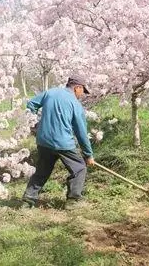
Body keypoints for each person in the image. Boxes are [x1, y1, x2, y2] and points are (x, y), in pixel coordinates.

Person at [22, 75, 95, 207]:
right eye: (82, 91)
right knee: (79, 168)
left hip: (43, 140)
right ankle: (73, 200)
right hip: (63, 143)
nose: (82, 94)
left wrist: (34, 125)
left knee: (42, 170)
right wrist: (88, 155)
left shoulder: (50, 92)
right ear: (77, 88)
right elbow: (81, 132)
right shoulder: (75, 104)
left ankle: (28, 199)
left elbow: (31, 104)